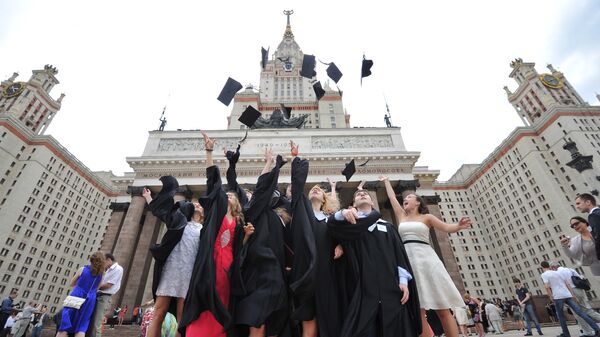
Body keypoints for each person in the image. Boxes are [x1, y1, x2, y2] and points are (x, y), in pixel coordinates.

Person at [177, 132, 254, 337]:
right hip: (210, 262)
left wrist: (245, 235)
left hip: (228, 266)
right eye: (226, 193)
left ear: (237, 203)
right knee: (204, 296)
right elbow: (213, 181)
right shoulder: (215, 213)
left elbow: (239, 247)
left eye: (232, 195)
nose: (228, 194)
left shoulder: (238, 222)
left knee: (224, 299)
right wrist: (209, 151)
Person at [327, 186, 422, 337]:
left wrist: (403, 281)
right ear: (353, 204)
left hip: (390, 287)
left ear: (372, 202)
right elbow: (331, 225)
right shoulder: (350, 227)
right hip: (362, 289)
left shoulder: (388, 228)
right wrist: (343, 212)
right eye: (358, 195)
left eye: (365, 194)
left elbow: (399, 256)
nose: (362, 194)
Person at [382, 176, 469, 337]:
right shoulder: (401, 216)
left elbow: (446, 227)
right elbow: (392, 197)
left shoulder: (427, 218)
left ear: (418, 203)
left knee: (442, 307)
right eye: (405, 198)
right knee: (418, 308)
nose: (405, 199)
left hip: (427, 260)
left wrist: (458, 226)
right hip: (409, 260)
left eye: (409, 197)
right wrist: (386, 181)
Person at [228, 147, 289, 337]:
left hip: (276, 270)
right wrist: (270, 164)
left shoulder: (278, 218)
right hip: (256, 268)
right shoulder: (251, 210)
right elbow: (262, 188)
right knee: (257, 317)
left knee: (272, 319)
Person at [287, 141, 343, 337]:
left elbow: (342, 236)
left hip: (327, 271)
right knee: (309, 322)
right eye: (312, 189)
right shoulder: (300, 210)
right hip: (305, 270)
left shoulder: (330, 219)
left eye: (320, 189)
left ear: (326, 200)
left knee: (328, 318)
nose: (315, 190)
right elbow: (297, 184)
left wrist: (340, 245)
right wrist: (295, 158)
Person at [142, 176, 204, 337]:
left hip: (189, 273)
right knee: (159, 312)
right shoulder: (179, 220)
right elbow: (162, 212)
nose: (197, 204)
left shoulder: (205, 229)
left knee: (182, 318)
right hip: (171, 269)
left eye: (201, 205)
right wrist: (149, 197)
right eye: (195, 203)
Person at [540, 261, 600, 337]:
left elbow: (547, 286)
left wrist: (551, 296)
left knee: (562, 316)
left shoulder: (546, 274)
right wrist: (572, 295)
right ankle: (596, 329)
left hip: (560, 296)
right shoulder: (563, 271)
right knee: (581, 312)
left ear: (542, 267)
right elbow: (572, 281)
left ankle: (568, 333)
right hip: (571, 293)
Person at [57, 252, 105, 337]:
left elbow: (71, 283)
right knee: (82, 325)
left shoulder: (82, 269)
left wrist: (80, 286)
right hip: (90, 299)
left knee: (65, 323)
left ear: (91, 260)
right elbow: (98, 288)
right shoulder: (101, 275)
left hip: (76, 295)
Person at [89, 253, 123, 337]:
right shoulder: (107, 269)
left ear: (108, 260)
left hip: (104, 298)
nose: (102, 264)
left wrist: (93, 287)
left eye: (103, 261)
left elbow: (108, 285)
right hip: (98, 296)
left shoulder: (118, 269)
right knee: (91, 322)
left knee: (96, 324)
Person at [574, 193, 600, 260]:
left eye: (578, 203)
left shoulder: (593, 216)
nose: (577, 207)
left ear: (588, 202)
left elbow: (598, 237)